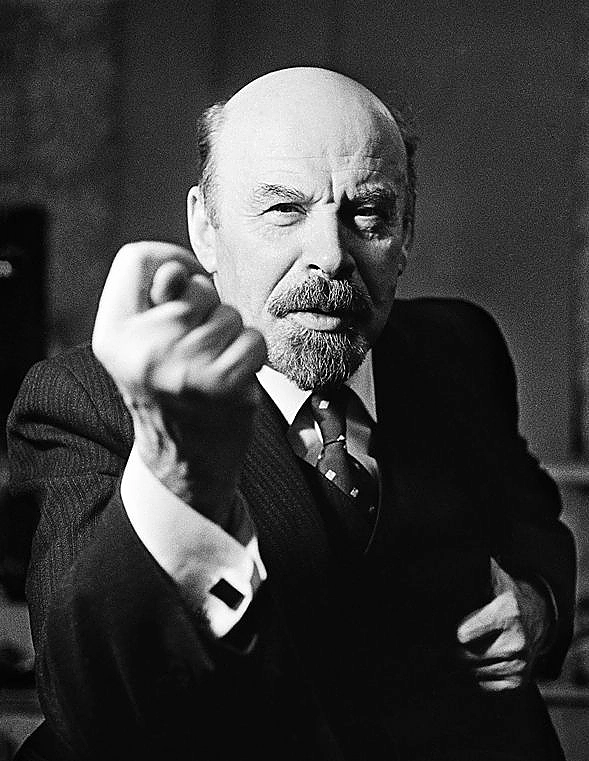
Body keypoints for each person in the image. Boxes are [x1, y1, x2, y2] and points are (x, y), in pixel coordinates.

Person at [6, 67, 576, 761]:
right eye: (283, 209)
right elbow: (90, 709)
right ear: (205, 227)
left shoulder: (459, 345)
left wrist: (538, 604)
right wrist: (175, 469)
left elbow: (529, 516)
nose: (331, 257)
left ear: (406, 233)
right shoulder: (86, 400)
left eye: (368, 213)